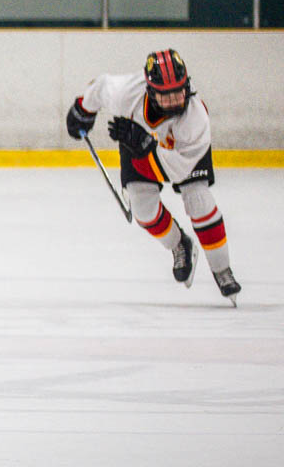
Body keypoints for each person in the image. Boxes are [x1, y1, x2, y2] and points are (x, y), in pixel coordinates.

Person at [66, 48, 241, 303]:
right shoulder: (128, 93)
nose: (173, 100)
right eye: (165, 95)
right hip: (136, 143)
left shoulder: (196, 119)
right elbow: (100, 87)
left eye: (178, 92)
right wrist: (82, 110)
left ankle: (222, 269)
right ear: (149, 89)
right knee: (143, 210)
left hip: (181, 154)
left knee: (199, 200)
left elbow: (178, 171)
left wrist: (148, 145)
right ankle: (179, 245)